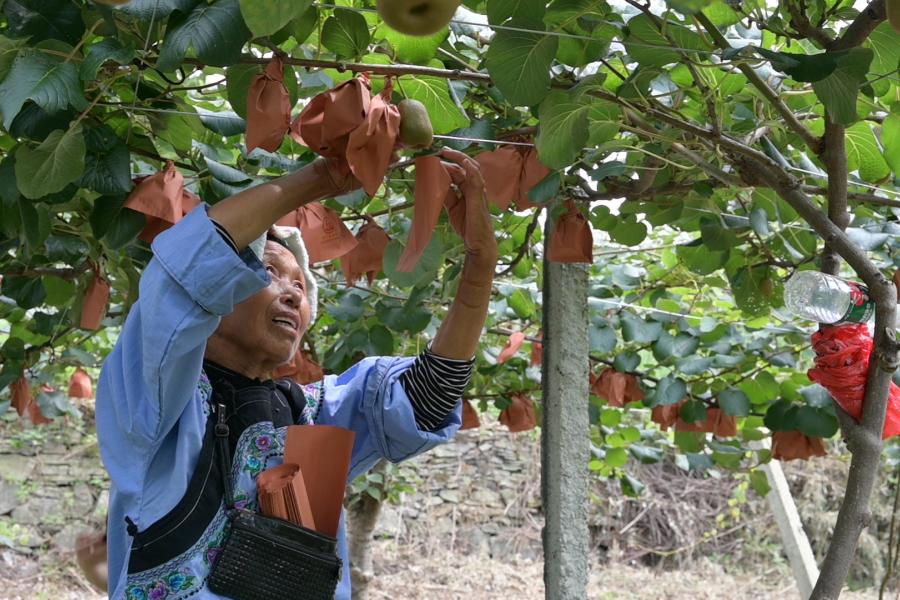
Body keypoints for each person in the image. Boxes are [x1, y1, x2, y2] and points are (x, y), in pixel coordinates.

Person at [95, 147, 497, 600]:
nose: (291, 294)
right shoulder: (159, 395)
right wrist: (321, 177)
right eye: (269, 272)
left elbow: (429, 396)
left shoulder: (310, 414)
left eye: (301, 287)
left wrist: (480, 267)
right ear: (223, 283)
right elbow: (183, 273)